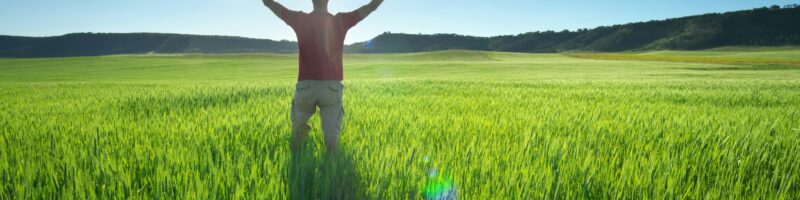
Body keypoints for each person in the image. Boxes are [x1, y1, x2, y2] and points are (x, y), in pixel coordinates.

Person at [262, 0, 384, 157]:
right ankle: (331, 159)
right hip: (331, 87)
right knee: (332, 137)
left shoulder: (300, 20)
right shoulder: (340, 21)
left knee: (298, 124)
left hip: (306, 85)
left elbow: (273, 6)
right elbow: (370, 7)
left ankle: (299, 148)